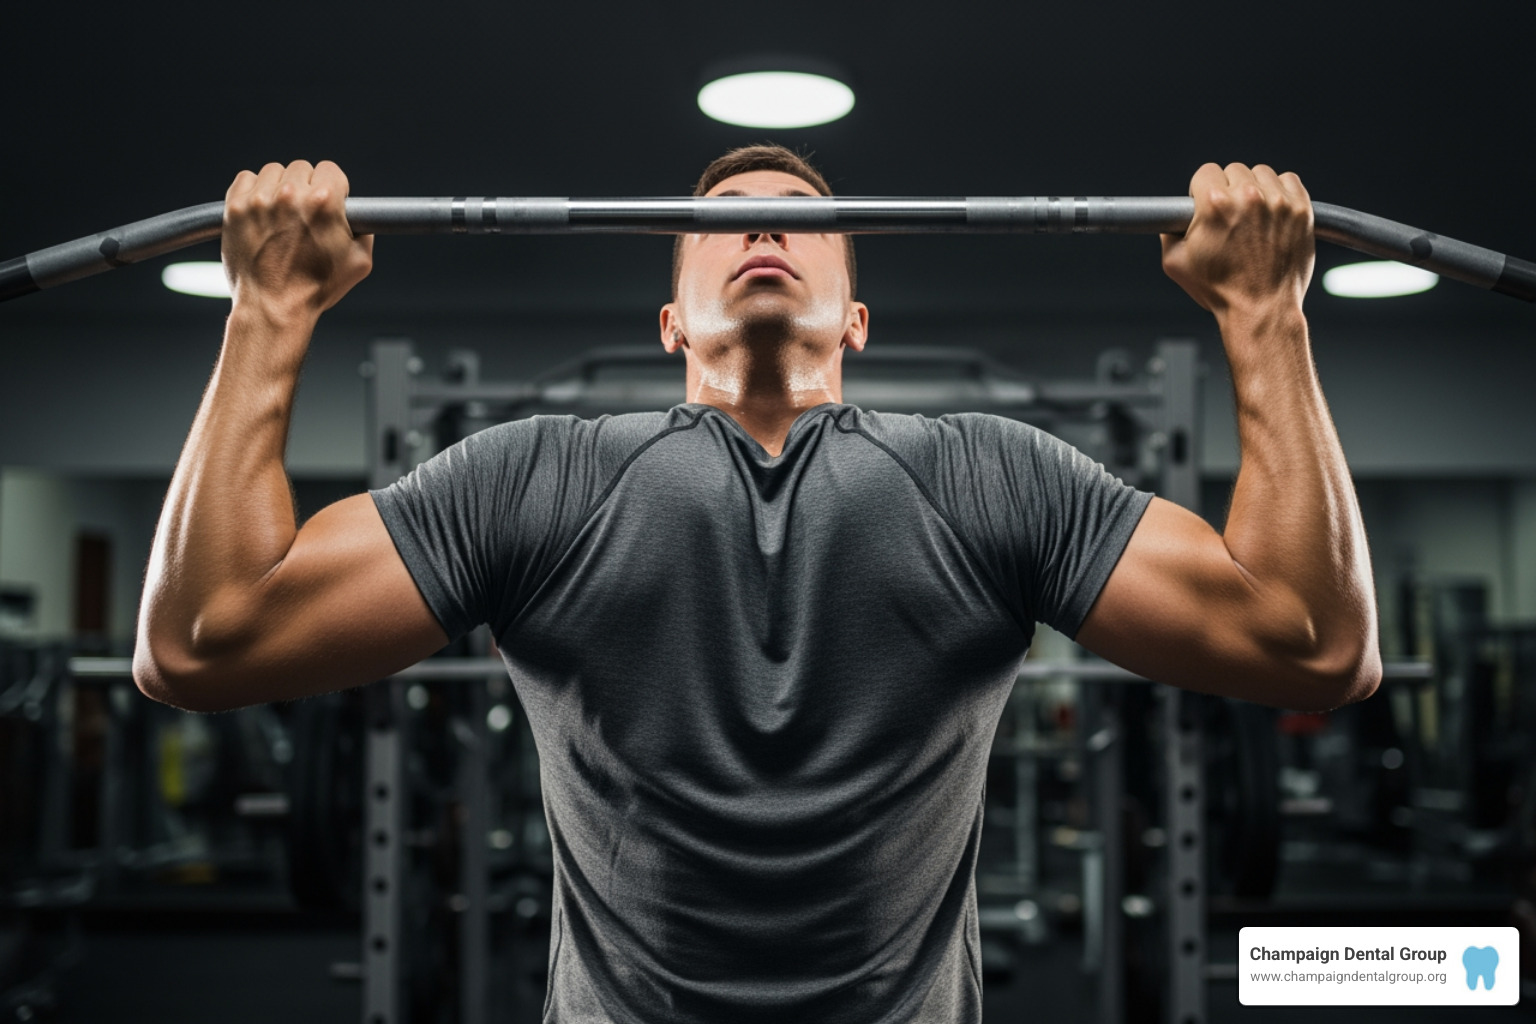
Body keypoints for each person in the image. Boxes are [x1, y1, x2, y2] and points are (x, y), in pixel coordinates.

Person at [133, 145, 1380, 1022]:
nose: (771, 229)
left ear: (858, 318)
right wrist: (269, 310)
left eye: (808, 219)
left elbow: (1316, 648)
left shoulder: (991, 478)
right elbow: (200, 643)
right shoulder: (534, 480)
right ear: (670, 318)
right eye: (725, 219)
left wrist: (1267, 315)